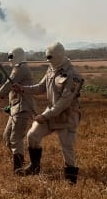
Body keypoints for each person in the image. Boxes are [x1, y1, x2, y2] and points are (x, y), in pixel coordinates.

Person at [13, 41, 84, 184]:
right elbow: (40, 87)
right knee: (32, 136)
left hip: (66, 116)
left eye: (50, 57)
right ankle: (34, 167)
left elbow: (64, 102)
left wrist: (44, 116)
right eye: (47, 57)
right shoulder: (51, 69)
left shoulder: (74, 76)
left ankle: (70, 181)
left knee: (67, 149)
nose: (48, 60)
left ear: (58, 56)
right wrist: (22, 89)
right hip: (50, 113)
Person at [0, 47, 36, 172]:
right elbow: (14, 89)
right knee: (7, 137)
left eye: (11, 56)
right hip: (16, 108)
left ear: (18, 56)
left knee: (15, 138)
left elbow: (7, 85)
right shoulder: (19, 68)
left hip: (23, 108)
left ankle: (18, 169)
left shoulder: (21, 68)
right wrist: (11, 106)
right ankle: (21, 161)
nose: (9, 59)